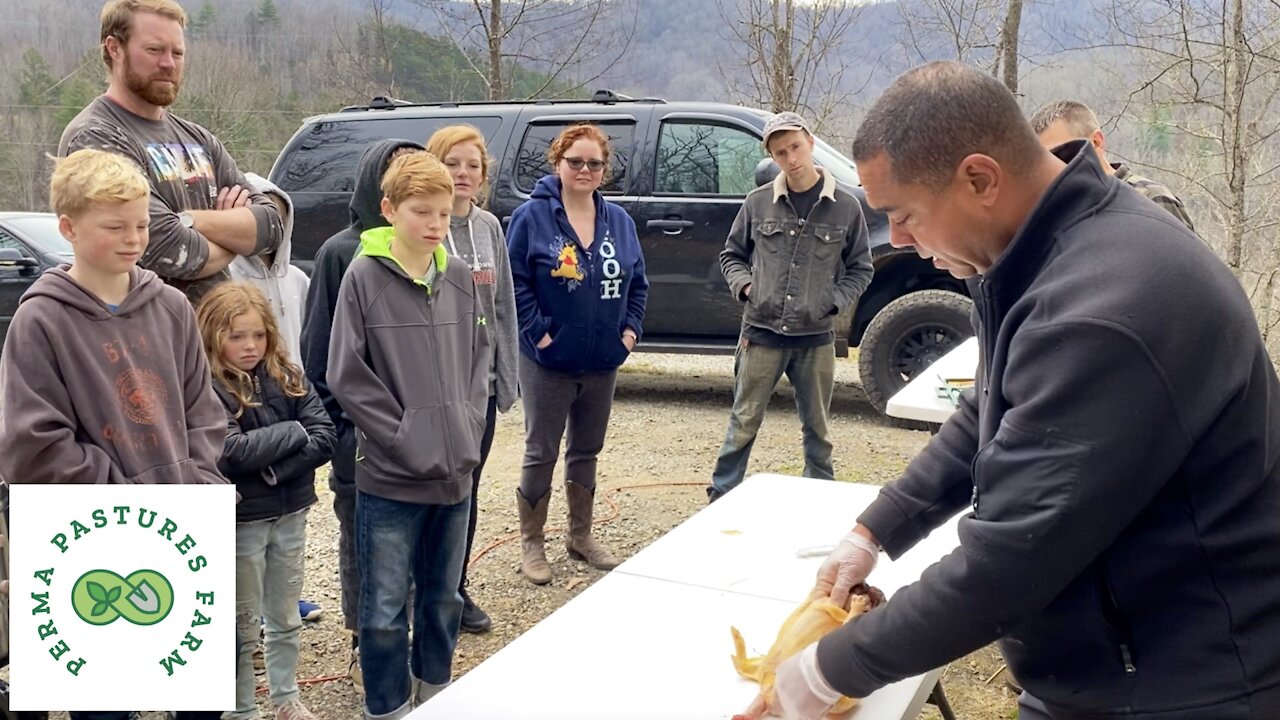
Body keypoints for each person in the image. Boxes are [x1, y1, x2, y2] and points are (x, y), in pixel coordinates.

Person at [740, 61, 1280, 720]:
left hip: (1184, 684)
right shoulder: (1045, 252)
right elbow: (989, 410)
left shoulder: (1107, 305)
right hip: (1110, 659)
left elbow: (1008, 563)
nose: (901, 240)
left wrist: (828, 670)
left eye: (905, 213)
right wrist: (876, 528)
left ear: (979, 178)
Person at [0, 151, 229, 720]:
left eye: (142, 225)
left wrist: (196, 484)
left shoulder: (173, 306)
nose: (133, 239)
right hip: (89, 546)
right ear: (69, 228)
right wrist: (128, 496)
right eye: (115, 227)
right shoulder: (41, 321)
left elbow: (204, 411)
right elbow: (33, 445)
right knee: (103, 705)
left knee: (197, 700)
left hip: (179, 531)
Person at [328, 151, 490, 718]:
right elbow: (346, 373)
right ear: (389, 210)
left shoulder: (460, 277)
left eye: (444, 214)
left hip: (455, 478)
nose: (434, 224)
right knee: (384, 609)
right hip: (391, 480)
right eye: (422, 211)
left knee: (444, 599)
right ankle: (388, 706)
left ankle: (435, 695)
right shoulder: (362, 276)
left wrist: (468, 426)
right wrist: (403, 436)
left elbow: (479, 358)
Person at [59, 0, 283, 306]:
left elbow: (271, 227)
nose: (169, 63)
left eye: (177, 53)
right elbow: (166, 246)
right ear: (114, 48)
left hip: (218, 344)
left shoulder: (199, 139)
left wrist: (189, 220)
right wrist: (234, 237)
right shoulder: (96, 138)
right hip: (145, 339)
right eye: (154, 50)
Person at [300, 138, 424, 691]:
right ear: (377, 185)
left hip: (423, 440)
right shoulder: (340, 253)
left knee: (416, 544)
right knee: (363, 544)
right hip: (361, 441)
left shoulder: (432, 252)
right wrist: (340, 428)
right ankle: (362, 642)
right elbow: (319, 353)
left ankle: (412, 640)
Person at [506, 124, 648, 585]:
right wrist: (540, 334)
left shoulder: (619, 222)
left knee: (587, 448)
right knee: (540, 450)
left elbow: (638, 284)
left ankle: (580, 535)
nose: (585, 170)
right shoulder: (532, 217)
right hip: (548, 361)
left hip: (602, 359)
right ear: (558, 164)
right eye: (576, 162)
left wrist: (627, 334)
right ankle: (532, 544)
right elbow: (516, 282)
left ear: (604, 170)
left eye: (594, 164)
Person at [708, 111, 873, 503]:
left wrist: (831, 302)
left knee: (817, 426)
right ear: (773, 157)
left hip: (814, 338)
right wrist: (747, 288)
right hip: (761, 333)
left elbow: (861, 267)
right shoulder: (757, 203)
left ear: (811, 143)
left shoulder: (846, 207)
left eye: (796, 147)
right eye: (781, 152)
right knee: (744, 419)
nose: (791, 158)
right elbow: (731, 255)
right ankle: (722, 493)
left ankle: (819, 498)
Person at [197, 283, 335, 720]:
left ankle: (285, 695)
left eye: (257, 335)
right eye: (236, 336)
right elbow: (230, 450)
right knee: (240, 621)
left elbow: (325, 435)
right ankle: (241, 707)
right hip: (242, 520)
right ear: (214, 335)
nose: (250, 346)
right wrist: (294, 433)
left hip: (292, 510)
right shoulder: (206, 387)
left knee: (284, 613)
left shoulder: (288, 375)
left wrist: (275, 468)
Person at [425, 126, 518, 634]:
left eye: (472, 166)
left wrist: (507, 376)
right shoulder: (425, 229)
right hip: (437, 389)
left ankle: (455, 587)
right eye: (453, 163)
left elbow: (502, 305)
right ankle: (426, 588)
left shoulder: (489, 227)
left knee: (470, 487)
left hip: (479, 390)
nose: (463, 174)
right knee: (433, 487)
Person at [1029, 99, 1197, 232]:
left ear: (1096, 142)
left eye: (1064, 153)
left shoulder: (1152, 201)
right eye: (1046, 162)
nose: (1056, 167)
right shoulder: (1059, 216)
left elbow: (1189, 270)